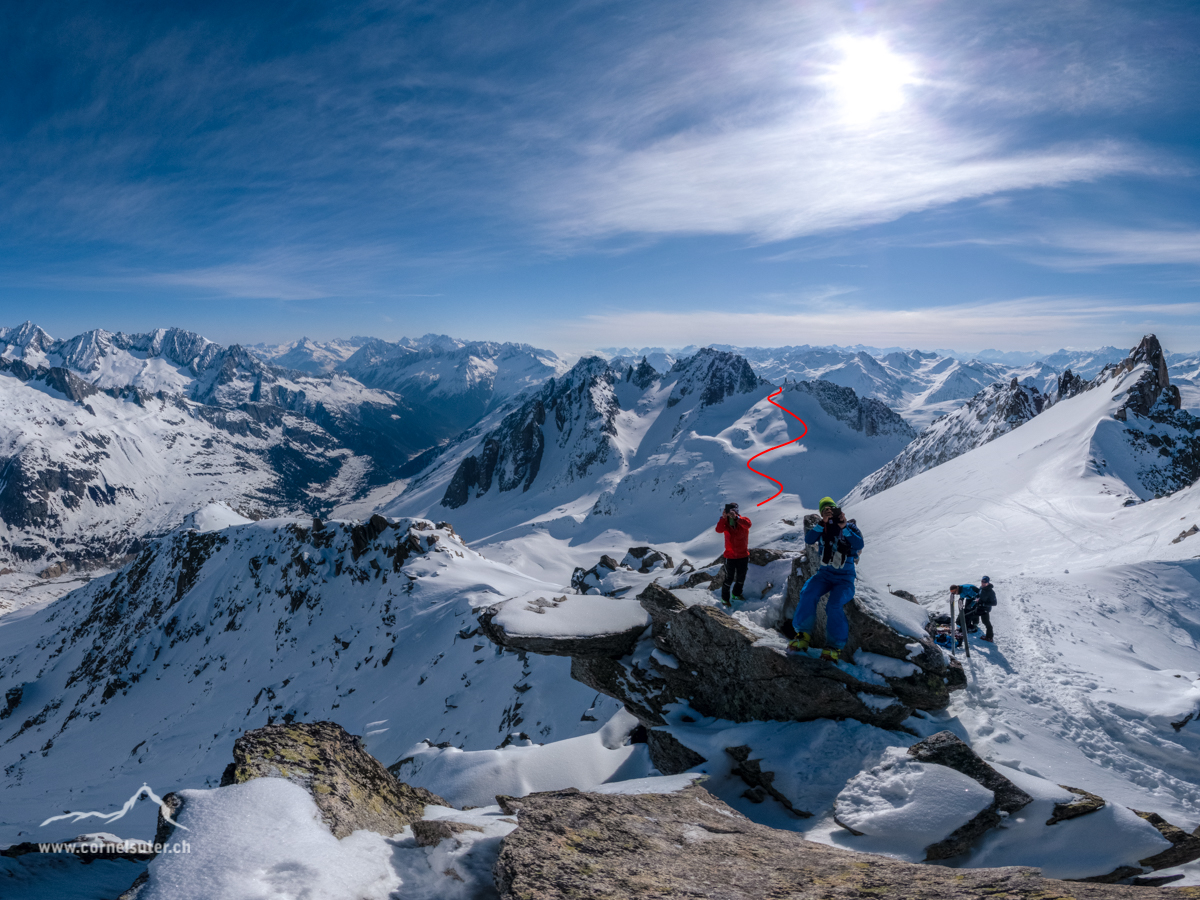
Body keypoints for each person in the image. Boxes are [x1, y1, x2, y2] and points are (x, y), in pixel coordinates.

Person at [788, 497, 864, 662]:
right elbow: (809, 540)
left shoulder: (850, 527)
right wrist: (823, 523)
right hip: (825, 575)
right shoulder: (822, 528)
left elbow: (859, 544)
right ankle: (803, 635)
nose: (829, 512)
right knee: (808, 593)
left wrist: (844, 526)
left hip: (845, 579)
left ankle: (834, 646)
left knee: (834, 605)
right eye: (825, 510)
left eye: (832, 509)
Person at [715, 502, 751, 606]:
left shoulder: (743, 520)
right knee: (729, 578)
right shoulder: (725, 523)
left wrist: (737, 518)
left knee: (741, 577)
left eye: (733, 511)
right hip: (730, 556)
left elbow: (748, 524)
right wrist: (723, 518)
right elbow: (718, 530)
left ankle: (736, 594)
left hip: (743, 555)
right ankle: (725, 599)